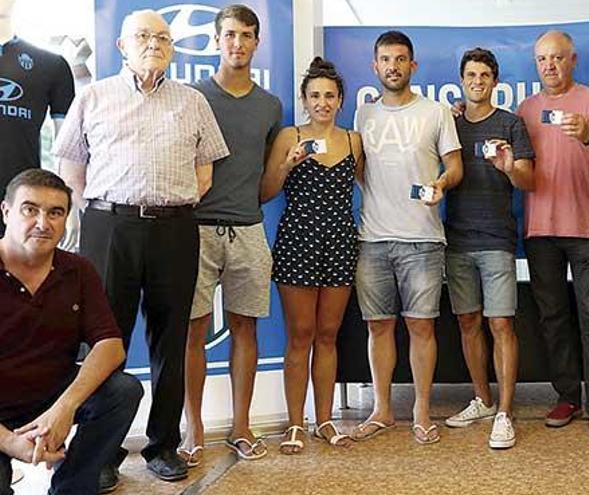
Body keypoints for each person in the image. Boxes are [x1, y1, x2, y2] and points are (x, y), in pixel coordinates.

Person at [54, 9, 228, 483]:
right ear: (121, 46)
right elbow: (71, 166)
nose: (155, 44)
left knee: (171, 340)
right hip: (110, 228)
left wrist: (178, 199)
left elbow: (206, 169)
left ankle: (163, 446)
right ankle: (100, 455)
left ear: (173, 48)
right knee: (104, 341)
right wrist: (99, 209)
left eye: (164, 38)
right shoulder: (93, 96)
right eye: (144, 36)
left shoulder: (191, 101)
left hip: (175, 229)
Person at [179, 4, 282, 466]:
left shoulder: (270, 106)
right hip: (195, 230)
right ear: (216, 41)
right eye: (229, 35)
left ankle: (241, 427)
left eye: (246, 35)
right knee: (193, 332)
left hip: (248, 230)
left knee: (246, 329)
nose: (237, 43)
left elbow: (264, 178)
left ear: (257, 42)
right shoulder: (191, 97)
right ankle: (194, 429)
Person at [351, 30, 463, 445]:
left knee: (422, 329)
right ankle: (382, 410)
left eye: (400, 59)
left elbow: (455, 166)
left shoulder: (435, 112)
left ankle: (421, 411)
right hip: (373, 240)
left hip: (423, 241)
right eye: (385, 59)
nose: (393, 66)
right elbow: (360, 168)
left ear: (412, 66)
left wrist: (440, 183)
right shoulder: (364, 114)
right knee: (378, 328)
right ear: (375, 66)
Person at [0, 169, 143, 495]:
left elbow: (110, 344)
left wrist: (63, 409)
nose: (43, 222)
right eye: (29, 209)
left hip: (51, 393)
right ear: (6, 212)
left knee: (123, 391)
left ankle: (73, 487)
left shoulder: (78, 270)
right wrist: (10, 442)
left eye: (55, 212)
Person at [516, 30, 589, 443]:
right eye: (542, 59)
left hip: (588, 229)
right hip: (540, 230)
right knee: (553, 320)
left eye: (557, 58)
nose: (549, 65)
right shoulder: (525, 109)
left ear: (573, 59)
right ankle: (566, 397)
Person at [261, 56, 363, 453]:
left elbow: (373, 186)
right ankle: (295, 423)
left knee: (328, 335)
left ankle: (324, 421)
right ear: (304, 99)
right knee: (300, 335)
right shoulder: (289, 136)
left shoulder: (354, 140)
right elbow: (265, 192)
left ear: (340, 100)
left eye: (330, 95)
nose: (323, 102)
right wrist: (286, 165)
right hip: (298, 241)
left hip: (340, 242)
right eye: (315, 95)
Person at [442, 47, 534, 449]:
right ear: (462, 80)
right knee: (468, 322)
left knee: (501, 325)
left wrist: (509, 166)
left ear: (495, 82)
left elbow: (529, 182)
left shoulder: (511, 124)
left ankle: (505, 413)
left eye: (484, 75)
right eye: (471, 75)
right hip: (456, 239)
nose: (477, 81)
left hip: (497, 239)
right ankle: (482, 398)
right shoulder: (450, 123)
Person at [0, 0, 74, 237]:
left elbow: (67, 147)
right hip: (24, 201)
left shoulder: (51, 65)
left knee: (19, 273)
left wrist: (66, 202)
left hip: (23, 201)